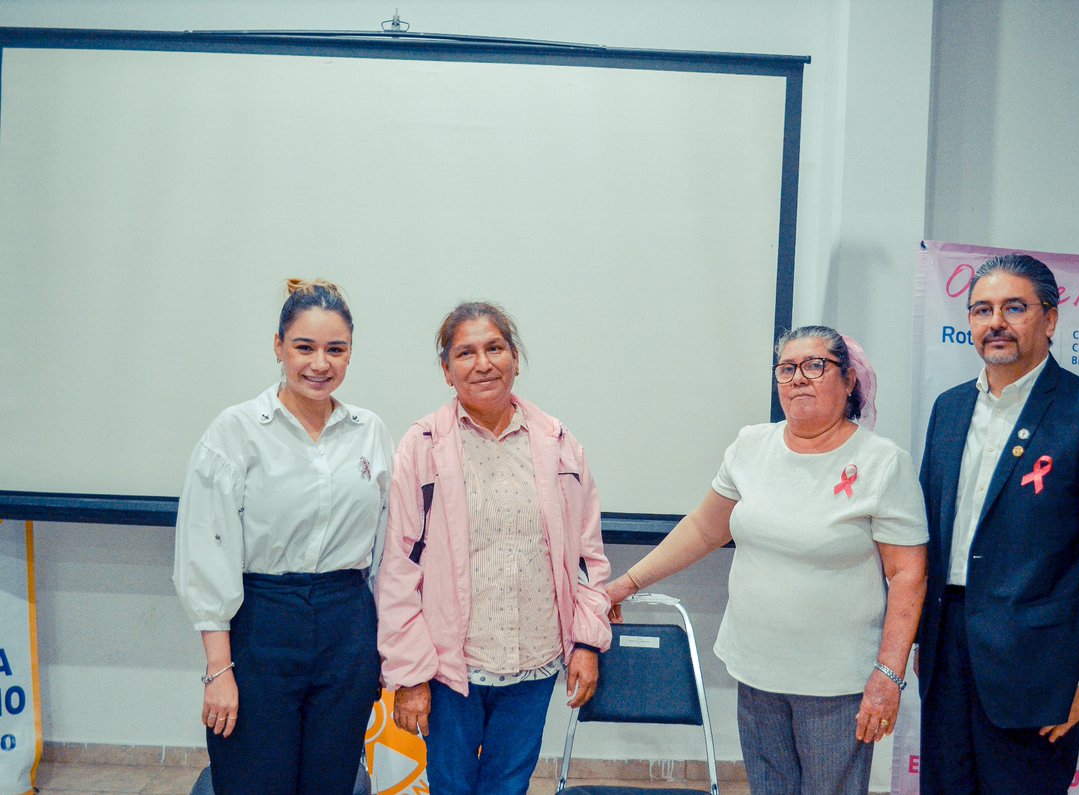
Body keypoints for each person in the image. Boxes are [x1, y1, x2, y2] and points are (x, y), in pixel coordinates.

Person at [607, 325, 928, 795]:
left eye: (815, 365)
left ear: (849, 380)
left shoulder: (882, 462)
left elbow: (907, 574)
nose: (798, 378)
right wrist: (626, 583)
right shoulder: (751, 446)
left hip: (836, 685)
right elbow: (703, 529)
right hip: (756, 669)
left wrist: (888, 675)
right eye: (787, 368)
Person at [916, 254, 1079, 794]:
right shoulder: (949, 409)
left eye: (1014, 308)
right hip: (946, 650)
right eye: (982, 309)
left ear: (1049, 320)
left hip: (1038, 665)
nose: (995, 322)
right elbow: (933, 530)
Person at [374, 301, 611, 795]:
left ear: (515, 359)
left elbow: (588, 557)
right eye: (465, 353)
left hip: (535, 663)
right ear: (447, 371)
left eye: (495, 348)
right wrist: (410, 675)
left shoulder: (559, 443)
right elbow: (398, 570)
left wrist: (587, 642)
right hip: (450, 669)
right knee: (452, 787)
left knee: (509, 784)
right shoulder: (422, 447)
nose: (482, 363)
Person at [174, 279, 393, 795]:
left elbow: (387, 551)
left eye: (335, 349)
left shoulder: (370, 432)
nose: (320, 363)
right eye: (304, 347)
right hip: (261, 626)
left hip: (347, 627)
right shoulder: (236, 431)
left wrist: (384, 648)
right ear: (278, 346)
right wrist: (219, 671)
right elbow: (206, 553)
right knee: (255, 779)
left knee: (331, 781)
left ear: (350, 353)